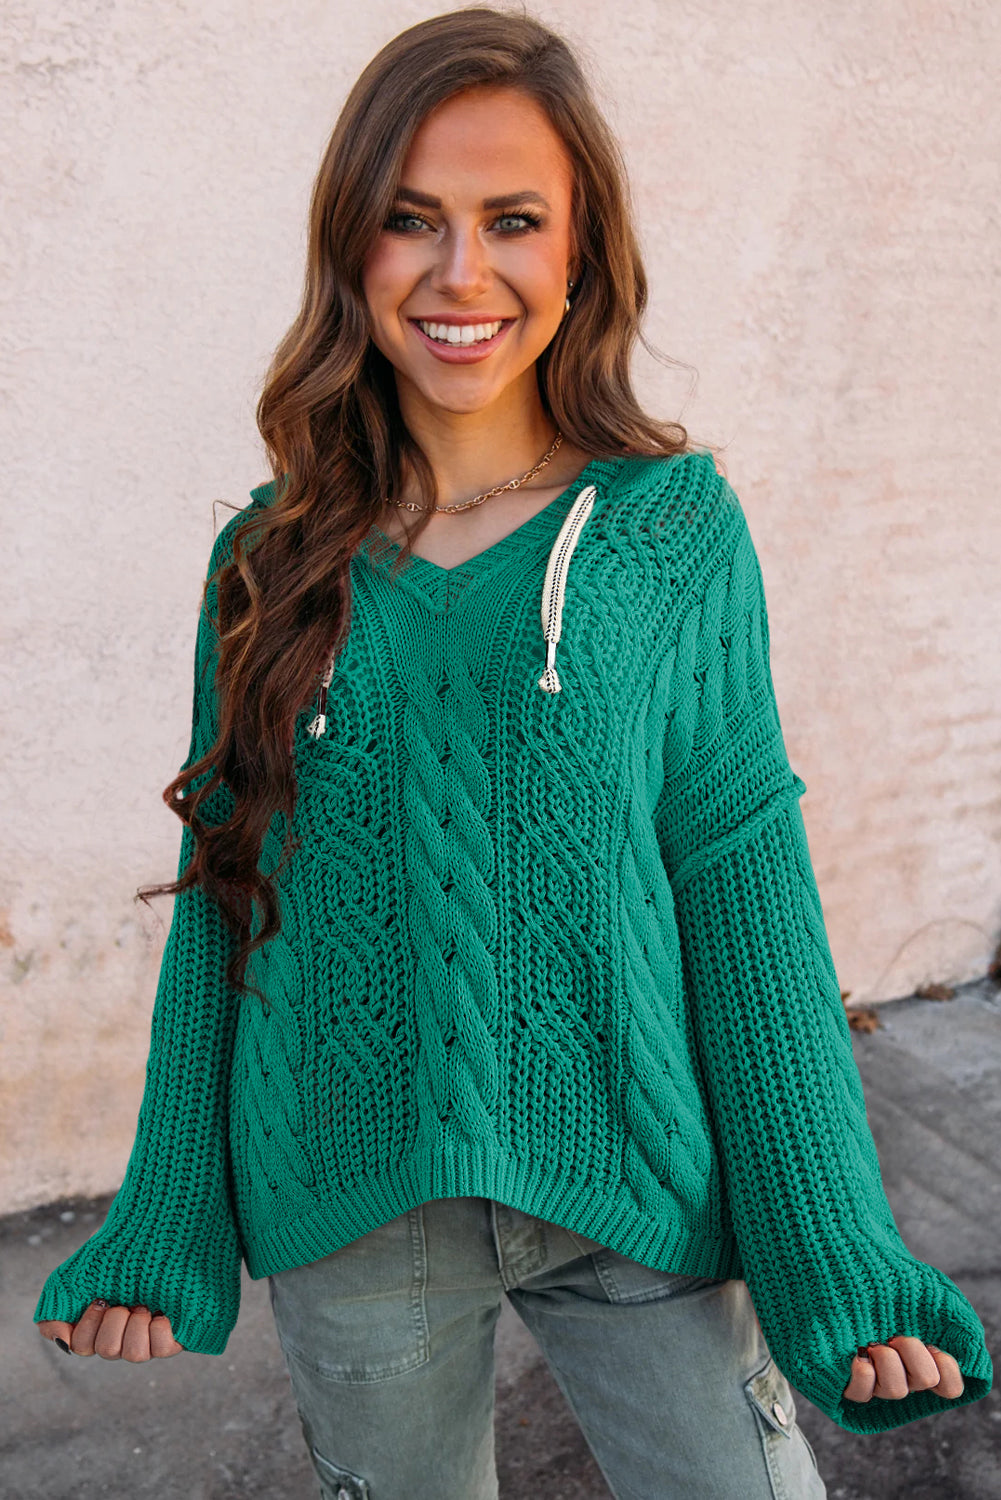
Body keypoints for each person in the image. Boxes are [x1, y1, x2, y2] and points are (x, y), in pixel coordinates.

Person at [34, 8, 991, 1498]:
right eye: (409, 219)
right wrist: (169, 1213)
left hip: (641, 1183)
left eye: (511, 222)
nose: (459, 272)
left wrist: (830, 1243)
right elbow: (225, 892)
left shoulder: (673, 533)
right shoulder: (265, 560)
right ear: (349, 247)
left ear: (581, 250)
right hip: (350, 1202)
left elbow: (745, 898)